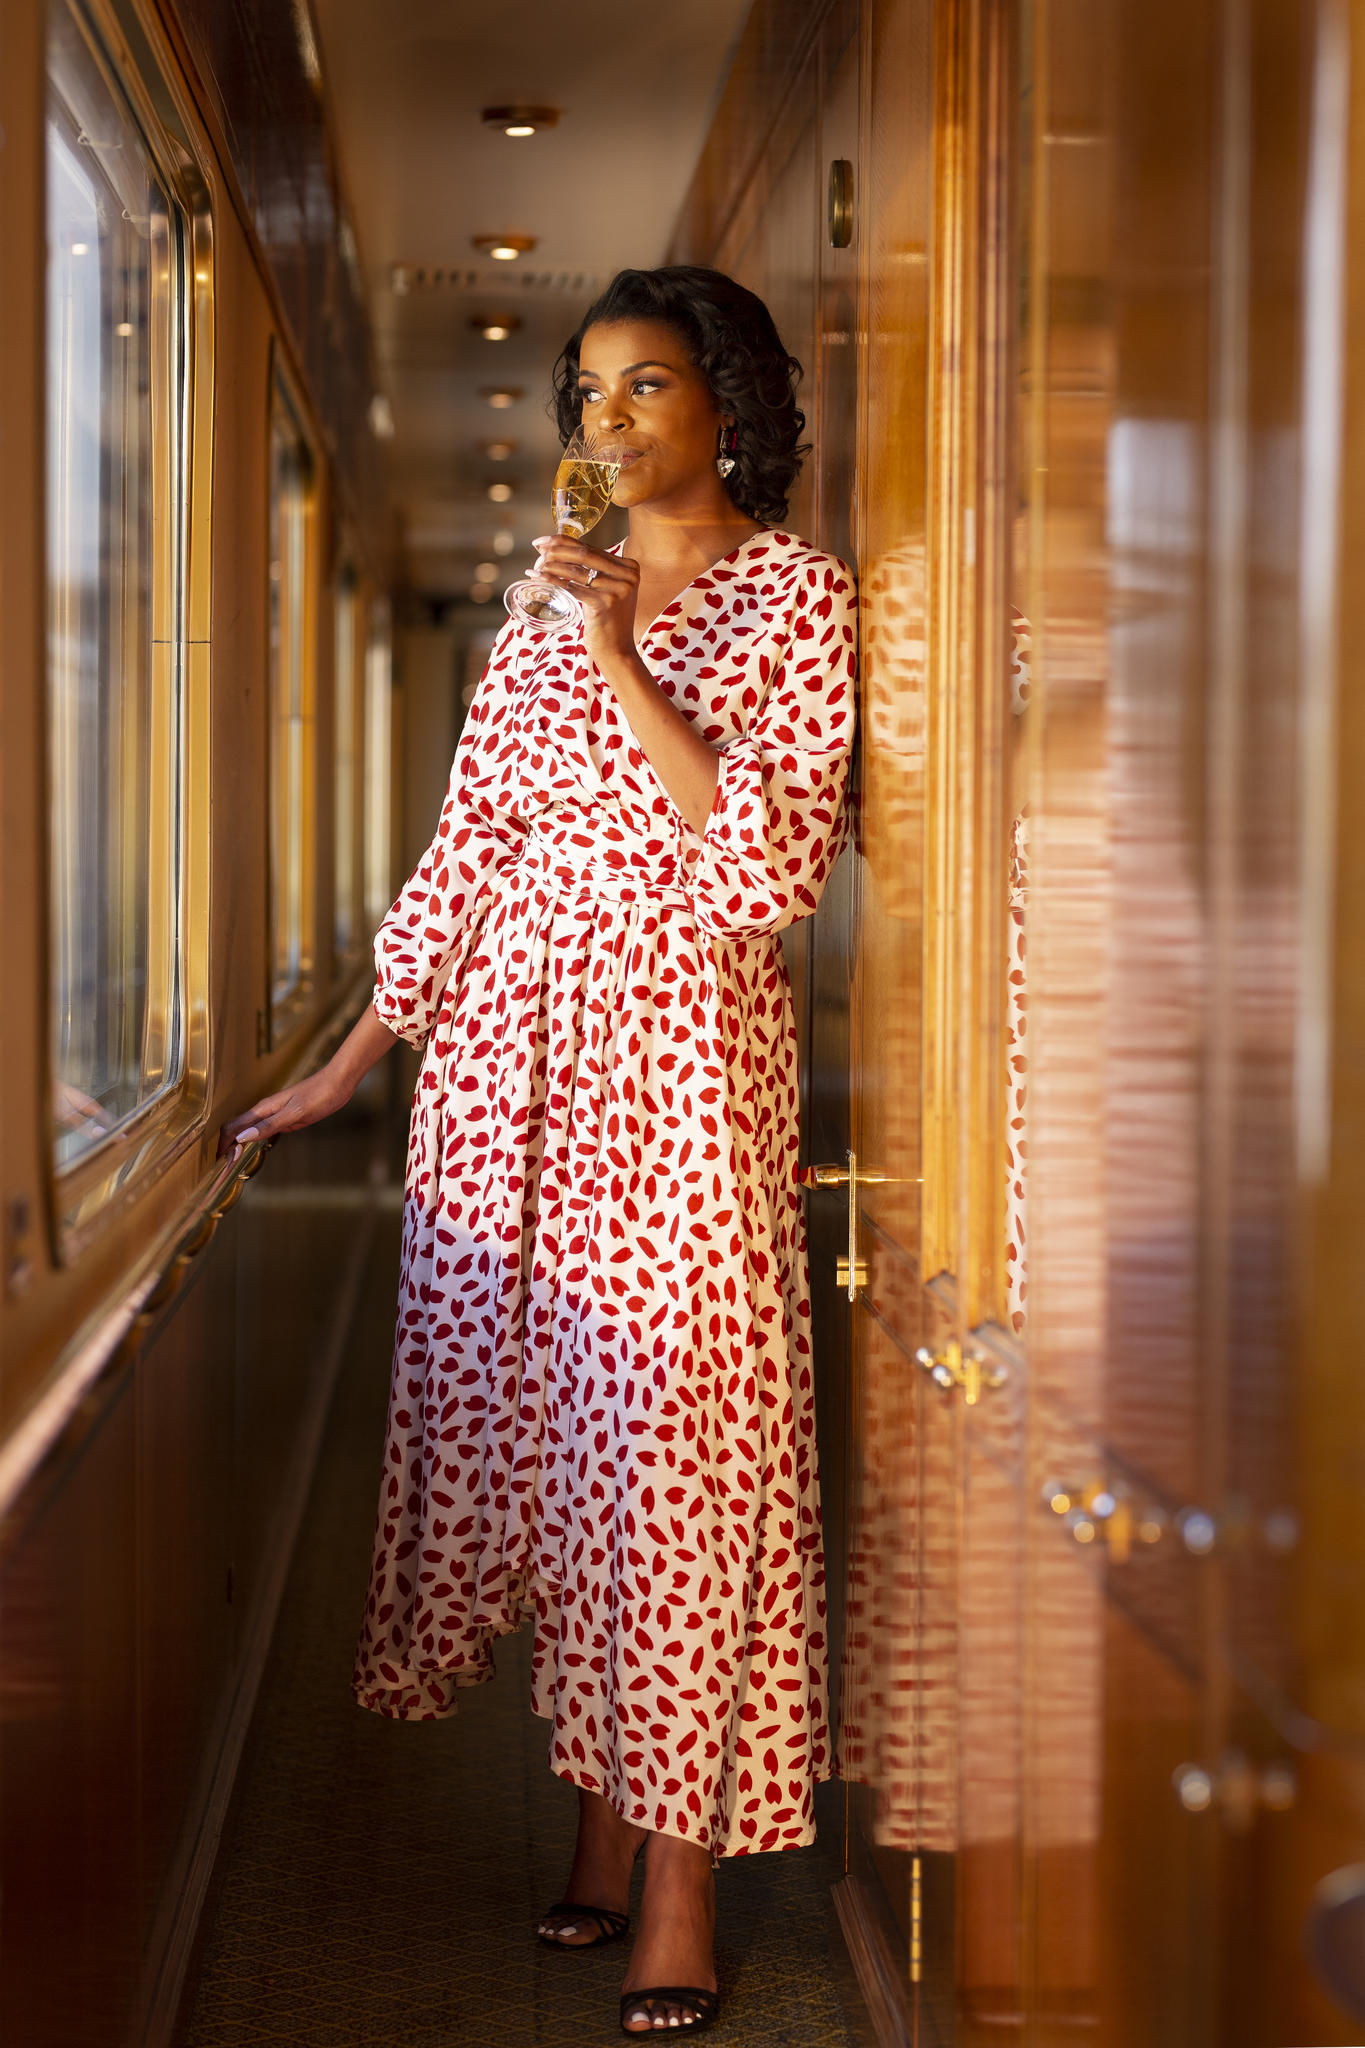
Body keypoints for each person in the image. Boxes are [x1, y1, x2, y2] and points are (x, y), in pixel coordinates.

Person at [223, 265, 857, 2037]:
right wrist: (357, 1053)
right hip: (504, 1068)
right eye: (587, 393)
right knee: (572, 1459)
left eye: (645, 388)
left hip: (678, 1070)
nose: (608, 423)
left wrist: (611, 651)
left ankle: (679, 1889)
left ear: (727, 401)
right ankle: (595, 1830)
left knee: (677, 1462)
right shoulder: (533, 604)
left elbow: (761, 872)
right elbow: (474, 837)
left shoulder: (796, 596)